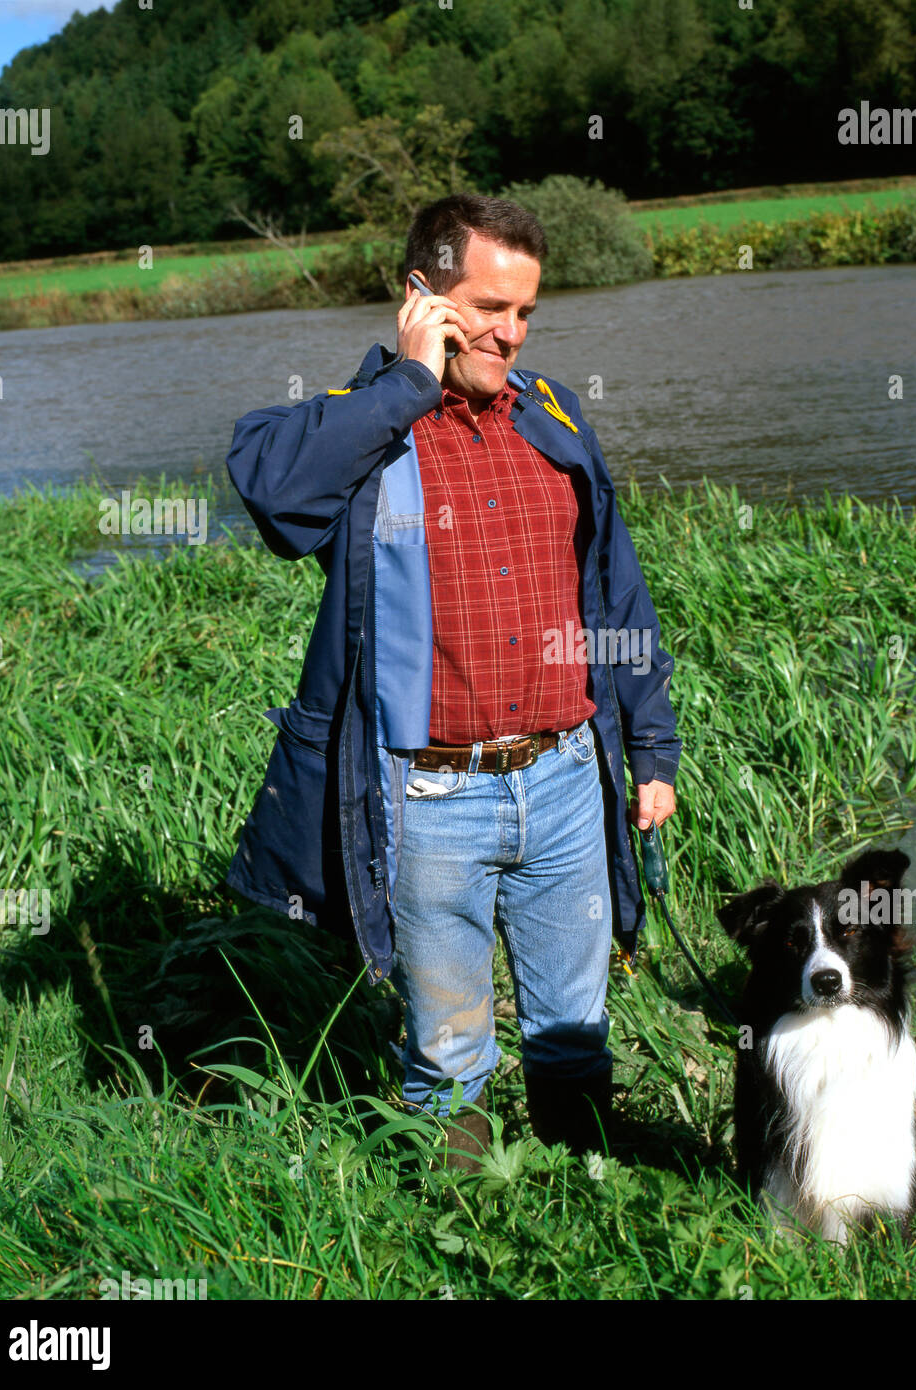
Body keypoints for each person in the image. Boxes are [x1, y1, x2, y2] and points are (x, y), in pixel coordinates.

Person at [224, 194, 681, 1168]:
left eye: (525, 313)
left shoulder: (551, 421)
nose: (510, 333)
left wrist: (651, 745)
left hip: (564, 782)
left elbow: (616, 597)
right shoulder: (364, 430)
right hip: (427, 796)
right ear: (423, 298)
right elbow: (274, 500)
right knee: (444, 1048)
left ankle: (590, 1184)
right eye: (488, 308)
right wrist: (405, 384)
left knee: (575, 1026)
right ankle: (457, 1225)